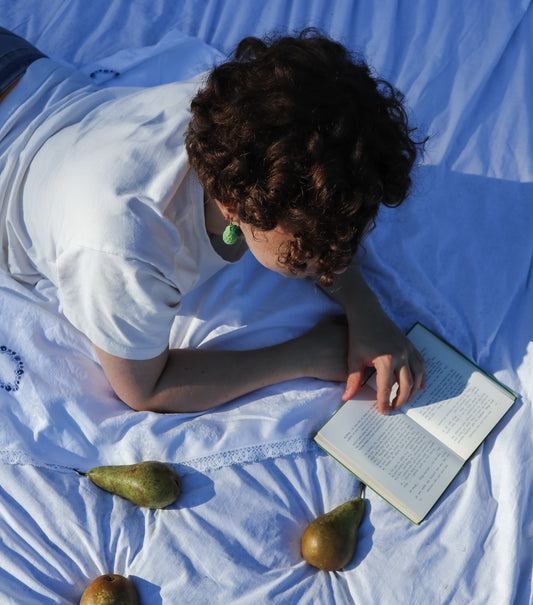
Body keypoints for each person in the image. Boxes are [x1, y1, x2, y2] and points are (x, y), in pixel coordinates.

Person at [0, 26, 425, 415]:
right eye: (309, 248)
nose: (335, 258)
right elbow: (145, 388)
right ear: (232, 205)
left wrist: (367, 309)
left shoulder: (247, 112)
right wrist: (304, 355)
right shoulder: (125, 246)